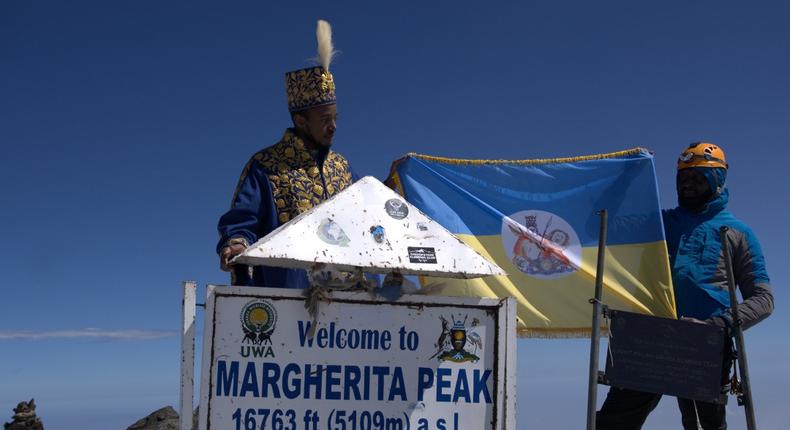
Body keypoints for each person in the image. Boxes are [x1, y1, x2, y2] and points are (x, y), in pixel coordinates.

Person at [597, 142, 774, 429]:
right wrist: (625, 176)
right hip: (648, 336)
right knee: (612, 423)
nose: (688, 184)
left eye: (698, 177)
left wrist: (720, 324)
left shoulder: (738, 233)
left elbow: (763, 299)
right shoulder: (660, 223)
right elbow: (602, 222)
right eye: (683, 178)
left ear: (716, 181)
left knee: (703, 426)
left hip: (704, 343)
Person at [216, 20, 354, 288]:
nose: (334, 126)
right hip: (287, 300)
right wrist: (236, 243)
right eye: (325, 118)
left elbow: (368, 215)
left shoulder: (344, 168)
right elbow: (243, 221)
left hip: (348, 305)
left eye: (336, 117)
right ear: (301, 121)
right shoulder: (266, 166)